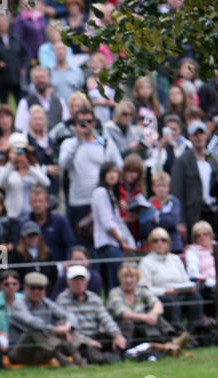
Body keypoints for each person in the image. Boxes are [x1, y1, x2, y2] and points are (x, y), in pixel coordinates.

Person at [58, 101, 122, 230]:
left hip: (102, 199)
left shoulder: (105, 143)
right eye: (81, 122)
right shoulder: (69, 143)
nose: (85, 125)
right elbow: (63, 164)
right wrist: (78, 140)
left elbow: (119, 166)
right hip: (79, 202)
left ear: (94, 122)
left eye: (89, 121)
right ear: (75, 124)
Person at [106, 258, 185, 353]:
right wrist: (147, 317)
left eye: (132, 277)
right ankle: (167, 342)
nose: (129, 280)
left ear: (137, 278)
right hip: (124, 328)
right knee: (130, 322)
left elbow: (157, 303)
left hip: (142, 326)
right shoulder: (114, 292)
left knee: (156, 315)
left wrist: (153, 314)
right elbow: (123, 313)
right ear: (120, 278)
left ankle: (171, 338)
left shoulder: (141, 290)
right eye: (125, 277)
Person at [55, 261, 127, 364]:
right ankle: (111, 357)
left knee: (125, 326)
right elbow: (66, 329)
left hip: (97, 336)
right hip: (78, 341)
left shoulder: (94, 298)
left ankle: (115, 354)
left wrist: (117, 335)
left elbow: (105, 319)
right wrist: (87, 341)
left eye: (81, 280)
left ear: (87, 281)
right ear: (68, 281)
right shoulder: (62, 300)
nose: (79, 284)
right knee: (86, 349)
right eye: (75, 280)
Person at [138, 226, 204, 334]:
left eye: (163, 240)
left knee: (195, 296)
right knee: (171, 300)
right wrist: (166, 291)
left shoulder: (175, 259)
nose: (160, 243)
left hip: (180, 292)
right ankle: (176, 333)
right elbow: (144, 288)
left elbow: (185, 279)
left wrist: (190, 287)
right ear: (150, 243)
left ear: (168, 242)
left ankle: (196, 331)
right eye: (155, 240)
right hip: (161, 296)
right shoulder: (145, 262)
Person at [7, 267, 74, 365]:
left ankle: (76, 355)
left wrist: (66, 327)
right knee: (33, 331)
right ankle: (67, 360)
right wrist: (54, 329)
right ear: (25, 288)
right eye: (33, 288)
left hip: (42, 349)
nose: (36, 291)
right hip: (19, 353)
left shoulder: (46, 303)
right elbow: (31, 322)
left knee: (63, 324)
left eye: (40, 288)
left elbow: (68, 315)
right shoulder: (18, 304)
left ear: (44, 290)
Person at [170, 117, 217, 246]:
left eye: (201, 133)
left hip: (211, 212)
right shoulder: (182, 161)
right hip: (192, 215)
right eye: (195, 134)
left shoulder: (212, 160)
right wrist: (180, 221)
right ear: (190, 137)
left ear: (206, 135)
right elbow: (176, 191)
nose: (198, 137)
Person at [91, 158, 135, 292]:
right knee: (114, 285)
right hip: (108, 244)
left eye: (115, 172)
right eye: (109, 172)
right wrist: (122, 241)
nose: (112, 175)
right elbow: (107, 224)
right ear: (103, 175)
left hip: (113, 244)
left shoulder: (110, 193)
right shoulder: (101, 192)